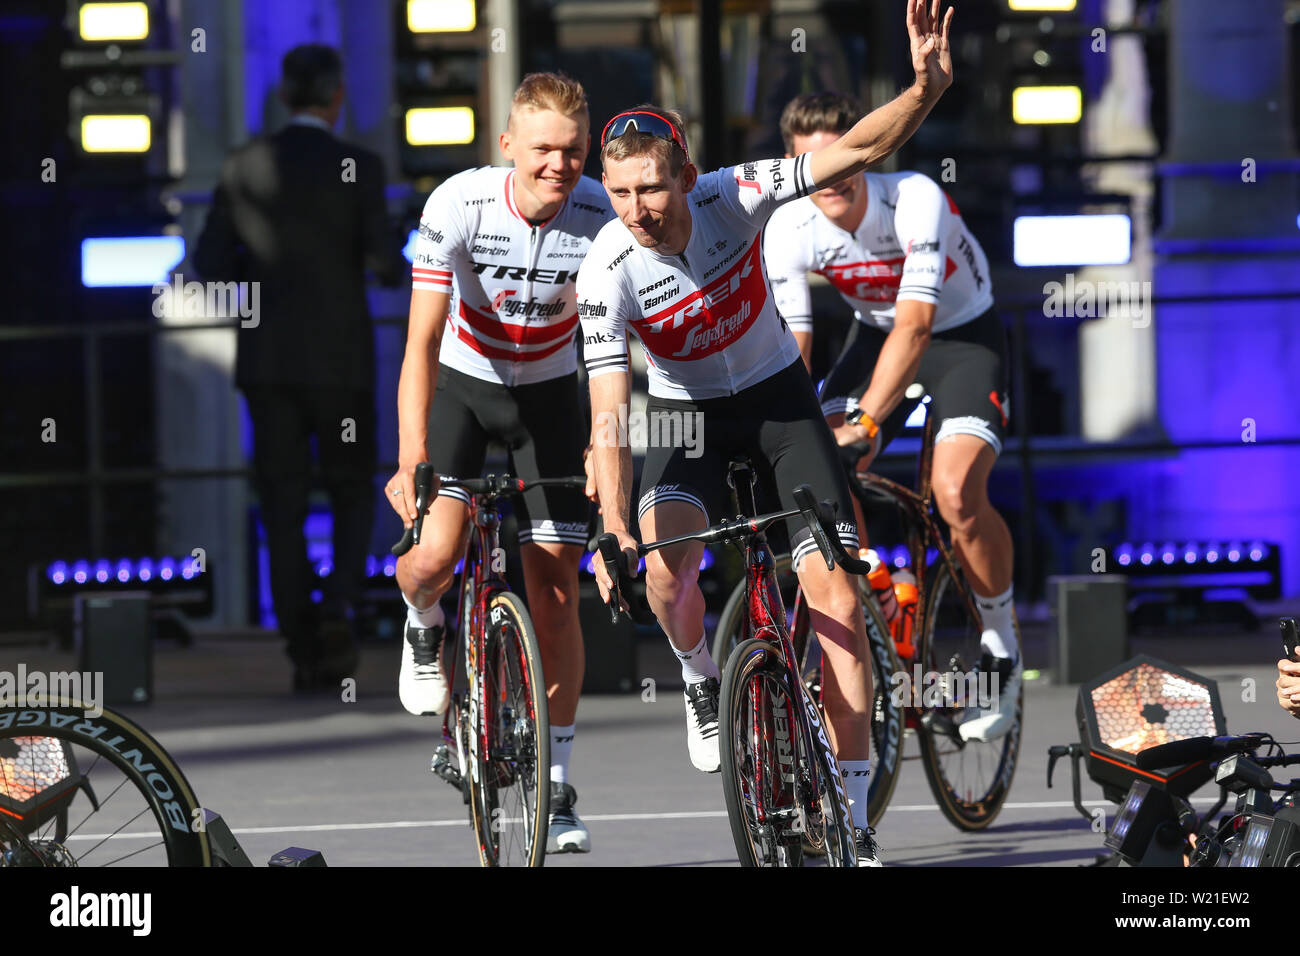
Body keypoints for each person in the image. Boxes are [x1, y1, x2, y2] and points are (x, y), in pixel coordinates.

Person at [582, 0, 954, 866]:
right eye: (621, 191)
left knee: (834, 601)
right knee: (667, 570)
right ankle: (700, 679)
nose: (638, 209)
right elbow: (607, 408)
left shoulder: (734, 194)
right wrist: (609, 525)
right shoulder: (607, 267)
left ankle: (855, 816)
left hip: (777, 399)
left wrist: (924, 91)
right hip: (685, 414)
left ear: (688, 175)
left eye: (653, 188)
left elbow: (855, 149)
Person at [388, 72, 612, 855]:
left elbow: (615, 346)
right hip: (465, 383)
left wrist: (602, 446)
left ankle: (556, 785)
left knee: (555, 594)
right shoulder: (458, 204)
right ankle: (424, 623)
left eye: (575, 150)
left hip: (550, 397)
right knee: (433, 557)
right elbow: (419, 343)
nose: (560, 164)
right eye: (544, 148)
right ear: (508, 145)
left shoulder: (601, 211)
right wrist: (413, 456)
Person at [763, 91, 1021, 741]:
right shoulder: (788, 227)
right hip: (873, 336)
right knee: (817, 463)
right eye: (813, 167)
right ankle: (873, 581)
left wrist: (870, 425)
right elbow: (793, 355)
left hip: (959, 337)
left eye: (844, 157)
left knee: (956, 493)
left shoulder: (913, 198)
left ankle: (1001, 641)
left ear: (870, 151)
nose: (831, 177)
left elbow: (917, 324)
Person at [194, 44, 404, 693]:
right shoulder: (359, 167)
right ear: (336, 97)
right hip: (340, 360)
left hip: (269, 363)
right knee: (350, 491)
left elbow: (208, 262)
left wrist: (262, 293)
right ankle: (338, 607)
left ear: (284, 96)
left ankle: (298, 640)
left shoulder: (243, 164)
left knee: (281, 504)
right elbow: (388, 265)